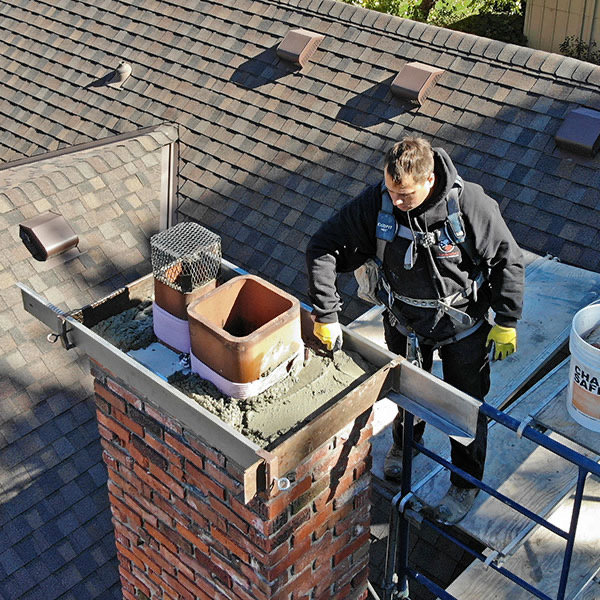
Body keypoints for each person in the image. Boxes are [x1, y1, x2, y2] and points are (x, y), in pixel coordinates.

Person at [306, 137, 524, 524]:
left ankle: (464, 482)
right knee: (409, 394)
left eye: (404, 194)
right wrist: (326, 314)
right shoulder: (379, 203)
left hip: (463, 326)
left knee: (466, 409)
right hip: (405, 324)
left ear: (430, 178)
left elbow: (507, 260)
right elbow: (322, 247)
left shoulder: (468, 204)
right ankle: (405, 445)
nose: (397, 202)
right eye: (391, 191)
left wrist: (506, 320)